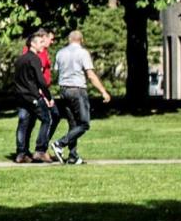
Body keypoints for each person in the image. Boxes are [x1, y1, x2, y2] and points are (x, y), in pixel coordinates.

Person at [50, 28, 113, 164]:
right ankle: (60, 143)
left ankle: (73, 156)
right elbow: (90, 75)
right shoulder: (83, 53)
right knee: (84, 124)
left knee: (73, 124)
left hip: (64, 90)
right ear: (81, 40)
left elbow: (56, 72)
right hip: (77, 90)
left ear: (69, 40)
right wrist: (103, 91)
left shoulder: (60, 53)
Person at [9, 31, 61, 164]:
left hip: (21, 97)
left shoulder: (20, 59)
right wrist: (48, 97)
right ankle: (40, 150)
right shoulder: (34, 59)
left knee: (23, 124)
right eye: (40, 42)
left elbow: (16, 80)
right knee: (46, 119)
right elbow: (40, 80)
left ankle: (21, 153)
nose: (42, 45)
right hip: (32, 96)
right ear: (32, 44)